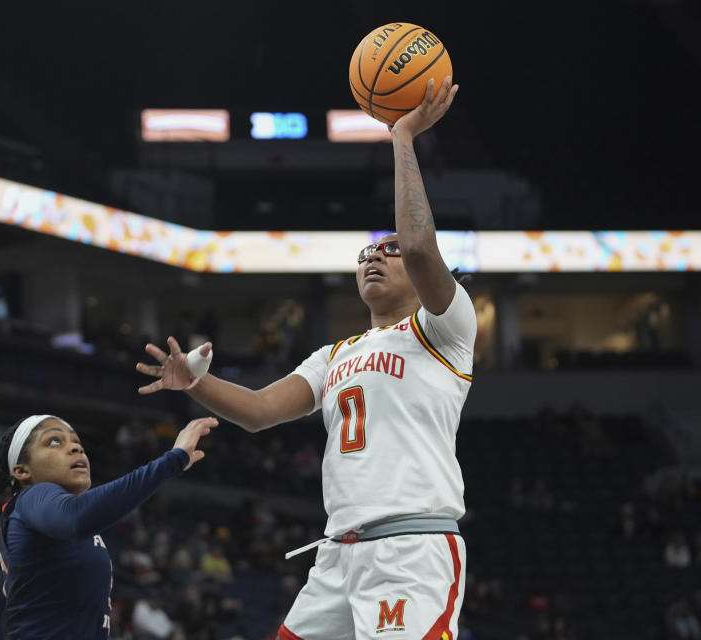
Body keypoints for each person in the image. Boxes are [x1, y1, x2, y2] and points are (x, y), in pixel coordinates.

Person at [138, 76, 470, 640]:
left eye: (387, 251)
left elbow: (418, 245)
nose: (376, 256)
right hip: (339, 555)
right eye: (367, 252)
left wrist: (404, 137)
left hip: (410, 551)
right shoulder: (333, 355)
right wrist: (195, 382)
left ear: (420, 280)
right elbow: (260, 411)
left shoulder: (445, 329)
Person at [0, 413, 216, 639]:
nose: (77, 448)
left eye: (77, 442)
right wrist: (172, 460)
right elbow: (77, 518)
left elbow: (2, 601)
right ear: (23, 471)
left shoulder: (43, 521)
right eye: (54, 441)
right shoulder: (34, 495)